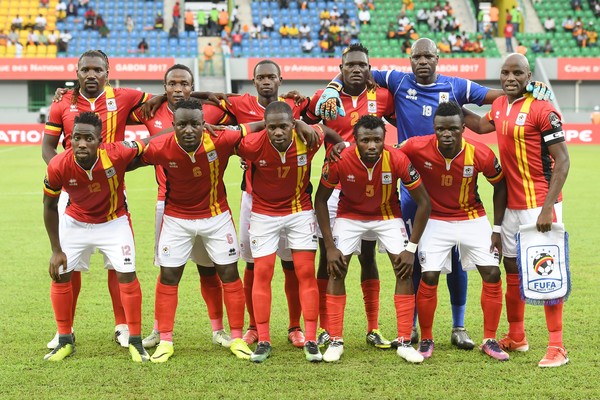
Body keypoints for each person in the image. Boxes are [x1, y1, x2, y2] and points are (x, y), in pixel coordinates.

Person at [315, 37, 553, 350]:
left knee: (457, 257)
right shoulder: (398, 81)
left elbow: (501, 94)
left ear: (438, 58)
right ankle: (413, 327)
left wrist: (531, 89)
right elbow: (355, 70)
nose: (423, 61)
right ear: (410, 59)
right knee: (412, 258)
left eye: (428, 56)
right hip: (412, 187)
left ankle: (458, 326)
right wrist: (333, 86)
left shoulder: (456, 86)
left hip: (452, 187)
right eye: (418, 57)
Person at [42, 50, 151, 350]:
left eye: (97, 70)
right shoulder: (62, 102)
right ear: (76, 72)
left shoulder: (124, 98)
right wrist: (66, 174)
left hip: (113, 192)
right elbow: (48, 147)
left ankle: (122, 326)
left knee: (118, 264)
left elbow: (163, 101)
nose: (91, 75)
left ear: (107, 72)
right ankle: (65, 330)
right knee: (68, 265)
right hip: (72, 193)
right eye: (85, 70)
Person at [470, 53, 571, 368]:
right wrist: (443, 95)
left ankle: (557, 346)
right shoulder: (500, 105)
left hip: (540, 204)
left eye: (517, 73)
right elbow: (477, 124)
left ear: (529, 76)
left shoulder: (543, 108)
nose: (510, 78)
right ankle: (517, 336)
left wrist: (547, 208)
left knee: (547, 272)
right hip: (511, 206)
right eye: (505, 73)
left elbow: (563, 161)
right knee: (512, 269)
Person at [202, 60, 312, 348]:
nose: (266, 81)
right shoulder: (240, 103)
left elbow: (318, 115)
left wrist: (301, 119)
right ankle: (254, 326)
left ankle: (295, 326)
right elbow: (209, 99)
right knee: (253, 265)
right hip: (255, 198)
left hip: (293, 201)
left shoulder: (294, 104)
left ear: (280, 80)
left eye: (271, 77)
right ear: (253, 81)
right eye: (261, 77)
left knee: (292, 265)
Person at [136, 100, 254, 363]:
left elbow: (257, 126)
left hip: (216, 217)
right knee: (169, 275)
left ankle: (236, 337)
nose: (188, 130)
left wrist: (298, 123)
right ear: (173, 126)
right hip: (176, 220)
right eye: (182, 124)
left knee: (228, 273)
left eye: (195, 124)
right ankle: (165, 341)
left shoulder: (221, 139)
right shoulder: (160, 146)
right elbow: (127, 158)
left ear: (204, 124)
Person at [314, 115, 430, 363]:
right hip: (349, 216)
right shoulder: (340, 159)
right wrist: (330, 246)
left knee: (404, 270)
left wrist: (411, 248)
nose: (371, 146)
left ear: (384, 139)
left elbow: (424, 202)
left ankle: (404, 342)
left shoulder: (397, 159)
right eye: (365, 140)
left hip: (387, 216)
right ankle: (335, 341)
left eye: (377, 140)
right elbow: (320, 200)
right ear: (355, 140)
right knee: (336, 269)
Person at [129, 65, 230, 350]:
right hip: (168, 204)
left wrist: (204, 95)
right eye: (172, 84)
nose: (178, 88)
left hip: (207, 206)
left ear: (192, 86)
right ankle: (159, 330)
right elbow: (112, 110)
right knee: (167, 271)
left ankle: (219, 330)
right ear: (164, 87)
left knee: (209, 270)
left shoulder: (210, 112)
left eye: (184, 84)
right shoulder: (150, 111)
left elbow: (243, 107)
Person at [398, 101, 508, 361]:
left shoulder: (480, 153)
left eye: (453, 129)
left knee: (492, 272)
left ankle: (490, 339)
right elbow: (388, 154)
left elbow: (500, 186)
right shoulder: (416, 146)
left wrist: (497, 229)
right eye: (441, 129)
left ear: (463, 128)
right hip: (435, 220)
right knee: (429, 276)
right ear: (434, 128)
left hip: (472, 218)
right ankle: (426, 339)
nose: (446, 134)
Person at [303, 43, 396, 349]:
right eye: (350, 65)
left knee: (368, 257)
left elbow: (404, 121)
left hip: (370, 189)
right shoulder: (325, 97)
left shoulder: (383, 97)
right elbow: (301, 121)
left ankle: (373, 327)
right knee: (329, 258)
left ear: (369, 69)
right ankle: (325, 328)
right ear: (340, 69)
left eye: (362, 65)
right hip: (333, 188)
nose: (356, 69)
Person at [235, 101, 333, 363]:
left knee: (305, 273)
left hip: (299, 213)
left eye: (283, 127)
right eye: (272, 127)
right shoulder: (252, 144)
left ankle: (310, 338)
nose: (278, 132)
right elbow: (230, 140)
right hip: (263, 215)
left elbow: (327, 131)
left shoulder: (308, 139)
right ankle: (264, 340)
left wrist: (339, 145)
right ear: (265, 127)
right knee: (262, 273)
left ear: (293, 125)